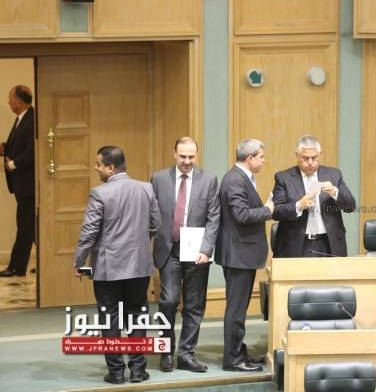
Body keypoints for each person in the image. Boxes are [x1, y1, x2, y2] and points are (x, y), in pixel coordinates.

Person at [72, 146, 161, 384]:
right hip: (139, 265)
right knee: (137, 315)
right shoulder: (146, 188)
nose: (95, 168)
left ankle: (116, 372)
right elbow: (155, 224)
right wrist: (138, 243)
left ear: (111, 167)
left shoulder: (99, 193)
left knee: (109, 317)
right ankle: (138, 370)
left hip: (108, 267)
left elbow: (89, 232)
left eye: (99, 164)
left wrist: (79, 261)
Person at [151, 137, 220, 373]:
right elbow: (151, 213)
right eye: (183, 156)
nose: (187, 161)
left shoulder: (209, 180)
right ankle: (165, 351)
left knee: (194, 305)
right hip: (169, 249)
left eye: (191, 156)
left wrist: (206, 249)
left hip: (197, 252)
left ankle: (186, 355)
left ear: (196, 155)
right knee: (169, 301)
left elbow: (214, 217)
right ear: (174, 154)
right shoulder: (159, 179)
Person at [215, 139, 273, 372]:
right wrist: (268, 210)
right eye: (261, 156)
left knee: (239, 309)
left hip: (242, 253)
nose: (264, 160)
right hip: (238, 255)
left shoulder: (241, 177)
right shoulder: (234, 180)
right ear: (250, 158)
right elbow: (241, 215)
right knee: (236, 310)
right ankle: (232, 359)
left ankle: (239, 352)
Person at [271, 135, 356, 257]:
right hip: (297, 245)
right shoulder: (284, 177)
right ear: (297, 155)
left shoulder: (334, 175)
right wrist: (299, 205)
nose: (310, 162)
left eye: (314, 157)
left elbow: (350, 206)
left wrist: (334, 191)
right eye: (305, 158)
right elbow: (276, 212)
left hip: (329, 244)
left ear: (320, 154)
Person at [0, 86, 35, 277]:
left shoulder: (32, 120)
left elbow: (32, 151)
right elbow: (19, 145)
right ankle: (46, 262)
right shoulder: (22, 118)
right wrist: (5, 148)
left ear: (18, 101)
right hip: (21, 184)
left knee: (24, 226)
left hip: (28, 184)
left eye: (10, 98)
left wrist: (12, 164)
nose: (8, 102)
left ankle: (16, 267)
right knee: (33, 227)